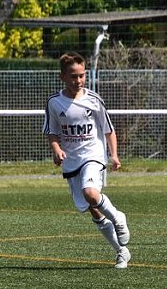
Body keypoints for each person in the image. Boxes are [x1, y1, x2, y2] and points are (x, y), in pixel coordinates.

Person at [43, 52, 131, 269]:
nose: (79, 80)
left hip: (93, 155)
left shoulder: (94, 99)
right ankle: (121, 252)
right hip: (71, 161)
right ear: (62, 77)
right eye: (73, 76)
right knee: (92, 207)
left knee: (90, 193)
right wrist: (56, 149)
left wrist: (114, 155)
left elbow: (108, 129)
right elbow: (52, 132)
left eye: (82, 75)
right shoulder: (54, 103)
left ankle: (119, 218)